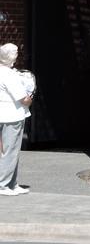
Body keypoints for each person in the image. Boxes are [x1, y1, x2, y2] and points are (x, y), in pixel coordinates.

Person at [0, 43, 31, 196]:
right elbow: (23, 99)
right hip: (12, 116)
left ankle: (12, 183)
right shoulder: (10, 75)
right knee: (11, 151)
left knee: (7, 151)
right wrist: (30, 98)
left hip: (3, 115)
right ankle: (4, 185)